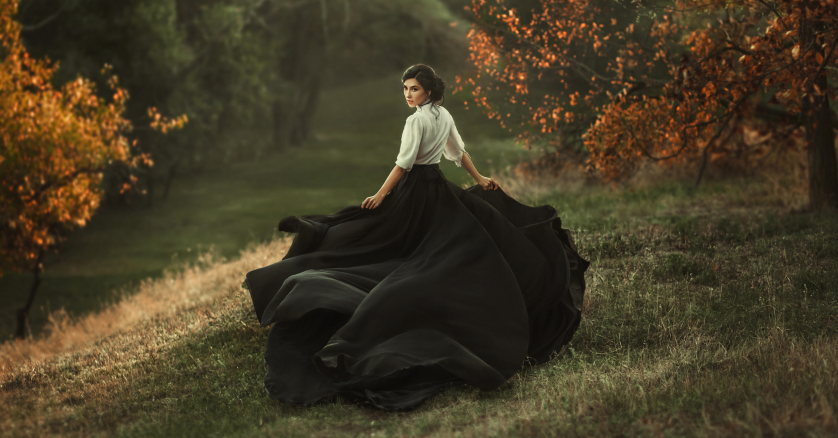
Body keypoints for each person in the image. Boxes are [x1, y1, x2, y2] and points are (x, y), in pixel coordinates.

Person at [243, 64, 589, 411]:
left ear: (428, 91)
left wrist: (380, 196)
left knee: (385, 242)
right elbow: (457, 153)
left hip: (414, 191)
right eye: (405, 89)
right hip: (439, 189)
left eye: (414, 89)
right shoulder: (444, 115)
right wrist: (479, 178)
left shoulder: (417, 121)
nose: (408, 95)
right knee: (429, 242)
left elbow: (404, 165)